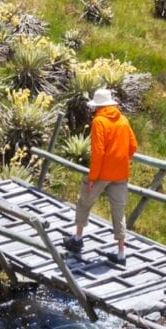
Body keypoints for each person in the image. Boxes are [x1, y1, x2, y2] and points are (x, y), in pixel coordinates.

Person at [68, 85, 135, 263]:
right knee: (118, 211)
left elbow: (98, 152)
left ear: (97, 106)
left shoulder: (99, 122)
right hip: (121, 173)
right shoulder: (123, 120)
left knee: (84, 201)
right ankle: (121, 253)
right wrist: (121, 160)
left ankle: (77, 239)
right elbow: (133, 146)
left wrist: (92, 178)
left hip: (102, 173)